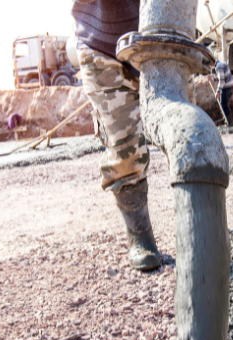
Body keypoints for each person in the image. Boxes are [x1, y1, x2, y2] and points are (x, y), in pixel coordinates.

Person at [71, 0, 162, 271]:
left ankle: (198, 230)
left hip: (161, 39)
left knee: (184, 135)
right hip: (103, 44)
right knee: (126, 148)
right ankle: (140, 234)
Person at [209, 61, 233, 126]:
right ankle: (229, 122)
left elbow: (222, 81)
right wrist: (212, 79)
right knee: (225, 105)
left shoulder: (219, 66)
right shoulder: (220, 64)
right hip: (230, 86)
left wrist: (217, 91)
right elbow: (221, 77)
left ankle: (230, 123)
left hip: (227, 87)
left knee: (223, 105)